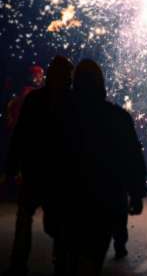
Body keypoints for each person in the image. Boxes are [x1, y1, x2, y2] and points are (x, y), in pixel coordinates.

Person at [66, 59, 147, 275]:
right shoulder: (117, 116)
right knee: (92, 257)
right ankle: (118, 242)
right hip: (106, 196)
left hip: (71, 197)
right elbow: (132, 157)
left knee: (69, 257)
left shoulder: (64, 116)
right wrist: (137, 193)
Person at [3, 56, 74, 276]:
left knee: (25, 217)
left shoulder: (35, 99)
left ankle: (18, 263)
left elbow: (20, 135)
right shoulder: (71, 101)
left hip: (35, 169)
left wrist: (12, 167)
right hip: (58, 172)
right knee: (58, 221)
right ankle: (60, 262)